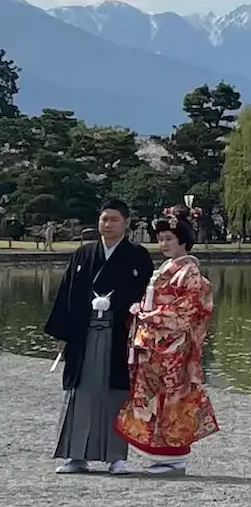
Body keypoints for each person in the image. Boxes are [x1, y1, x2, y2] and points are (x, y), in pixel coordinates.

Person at [44, 198, 154, 475]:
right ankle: (75, 456)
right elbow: (67, 294)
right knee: (80, 392)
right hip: (84, 333)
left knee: (115, 393)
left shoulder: (138, 257)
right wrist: (63, 333)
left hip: (121, 335)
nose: (107, 224)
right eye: (104, 219)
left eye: (114, 219)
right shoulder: (83, 255)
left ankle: (115, 457)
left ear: (126, 223)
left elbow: (147, 299)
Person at [115, 214, 220, 475]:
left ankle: (174, 457)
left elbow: (188, 310)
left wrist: (151, 316)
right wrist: (140, 309)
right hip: (156, 345)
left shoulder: (189, 272)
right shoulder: (166, 269)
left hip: (174, 348)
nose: (163, 244)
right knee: (155, 398)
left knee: (173, 400)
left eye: (169, 239)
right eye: (160, 239)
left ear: (183, 241)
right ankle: (161, 455)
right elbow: (155, 302)